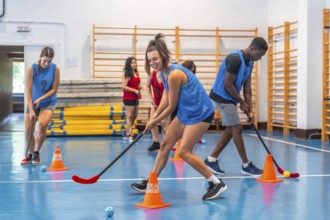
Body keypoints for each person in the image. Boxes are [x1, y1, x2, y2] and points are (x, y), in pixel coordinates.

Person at [131, 34, 227, 200]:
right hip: (186, 112)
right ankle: (151, 181)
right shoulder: (165, 73)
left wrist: (154, 120)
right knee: (165, 145)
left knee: (183, 151)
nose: (152, 63)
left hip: (201, 113)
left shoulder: (174, 74)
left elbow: (172, 106)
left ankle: (216, 182)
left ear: (163, 55)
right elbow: (166, 97)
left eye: (155, 59)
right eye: (149, 60)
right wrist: (154, 118)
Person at [204, 37, 268, 177]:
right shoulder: (235, 59)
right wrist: (241, 102)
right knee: (237, 128)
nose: (260, 58)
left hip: (230, 97)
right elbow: (227, 84)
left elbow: (247, 88)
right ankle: (246, 165)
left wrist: (250, 109)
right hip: (221, 96)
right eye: (259, 55)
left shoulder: (250, 62)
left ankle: (211, 160)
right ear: (252, 49)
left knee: (230, 129)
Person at [21, 47, 60, 165]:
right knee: (28, 129)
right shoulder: (31, 69)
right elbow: (28, 91)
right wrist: (32, 110)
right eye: (44, 61)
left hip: (49, 102)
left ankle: (36, 152)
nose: (47, 63)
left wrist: (41, 98)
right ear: (40, 57)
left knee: (42, 124)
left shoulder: (55, 69)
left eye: (49, 61)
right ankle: (30, 153)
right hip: (33, 102)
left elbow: (54, 89)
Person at [146, 69, 168, 151]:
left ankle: (166, 143)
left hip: (166, 103)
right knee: (152, 121)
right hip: (155, 103)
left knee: (164, 122)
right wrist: (150, 98)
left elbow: (168, 92)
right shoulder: (152, 74)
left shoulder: (166, 74)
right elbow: (147, 86)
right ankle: (156, 142)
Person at [122, 57, 141, 141]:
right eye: (132, 63)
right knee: (130, 116)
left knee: (135, 116)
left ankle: (127, 132)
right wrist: (134, 90)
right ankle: (130, 134)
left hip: (136, 96)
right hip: (128, 97)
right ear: (128, 64)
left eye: (135, 62)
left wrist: (139, 87)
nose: (134, 64)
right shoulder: (126, 73)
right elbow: (123, 86)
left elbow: (136, 83)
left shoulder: (136, 72)